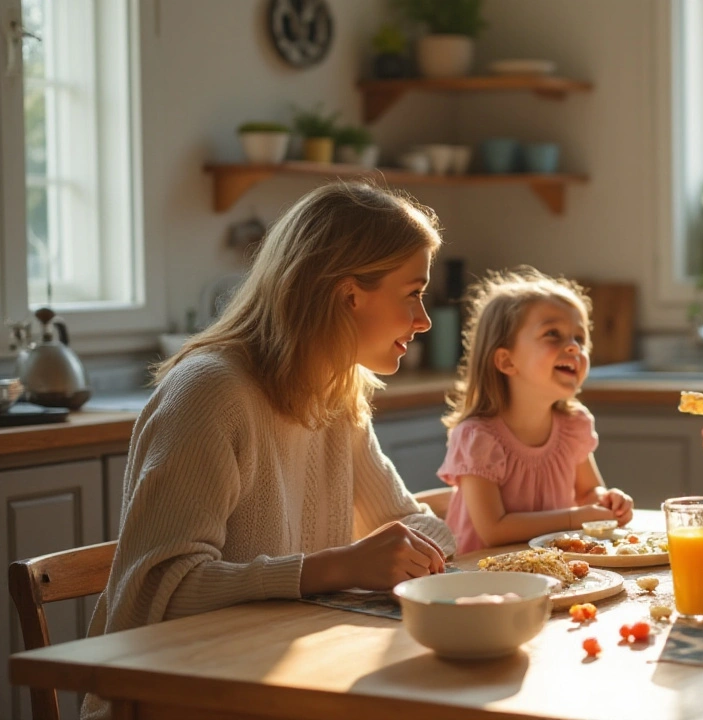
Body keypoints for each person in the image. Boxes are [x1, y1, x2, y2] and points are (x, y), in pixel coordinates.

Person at [82, 182, 457, 719]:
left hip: (283, 682)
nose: (423, 320)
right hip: (180, 700)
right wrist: (334, 567)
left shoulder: (336, 392)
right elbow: (153, 592)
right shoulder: (211, 391)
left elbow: (415, 526)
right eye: (413, 293)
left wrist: (409, 556)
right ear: (349, 294)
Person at [437, 267, 634, 555]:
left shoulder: (573, 426)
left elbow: (587, 493)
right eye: (553, 334)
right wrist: (572, 519)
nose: (573, 348)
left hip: (545, 572)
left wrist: (607, 501)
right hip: (478, 581)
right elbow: (493, 530)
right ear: (506, 361)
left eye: (580, 338)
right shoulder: (477, 438)